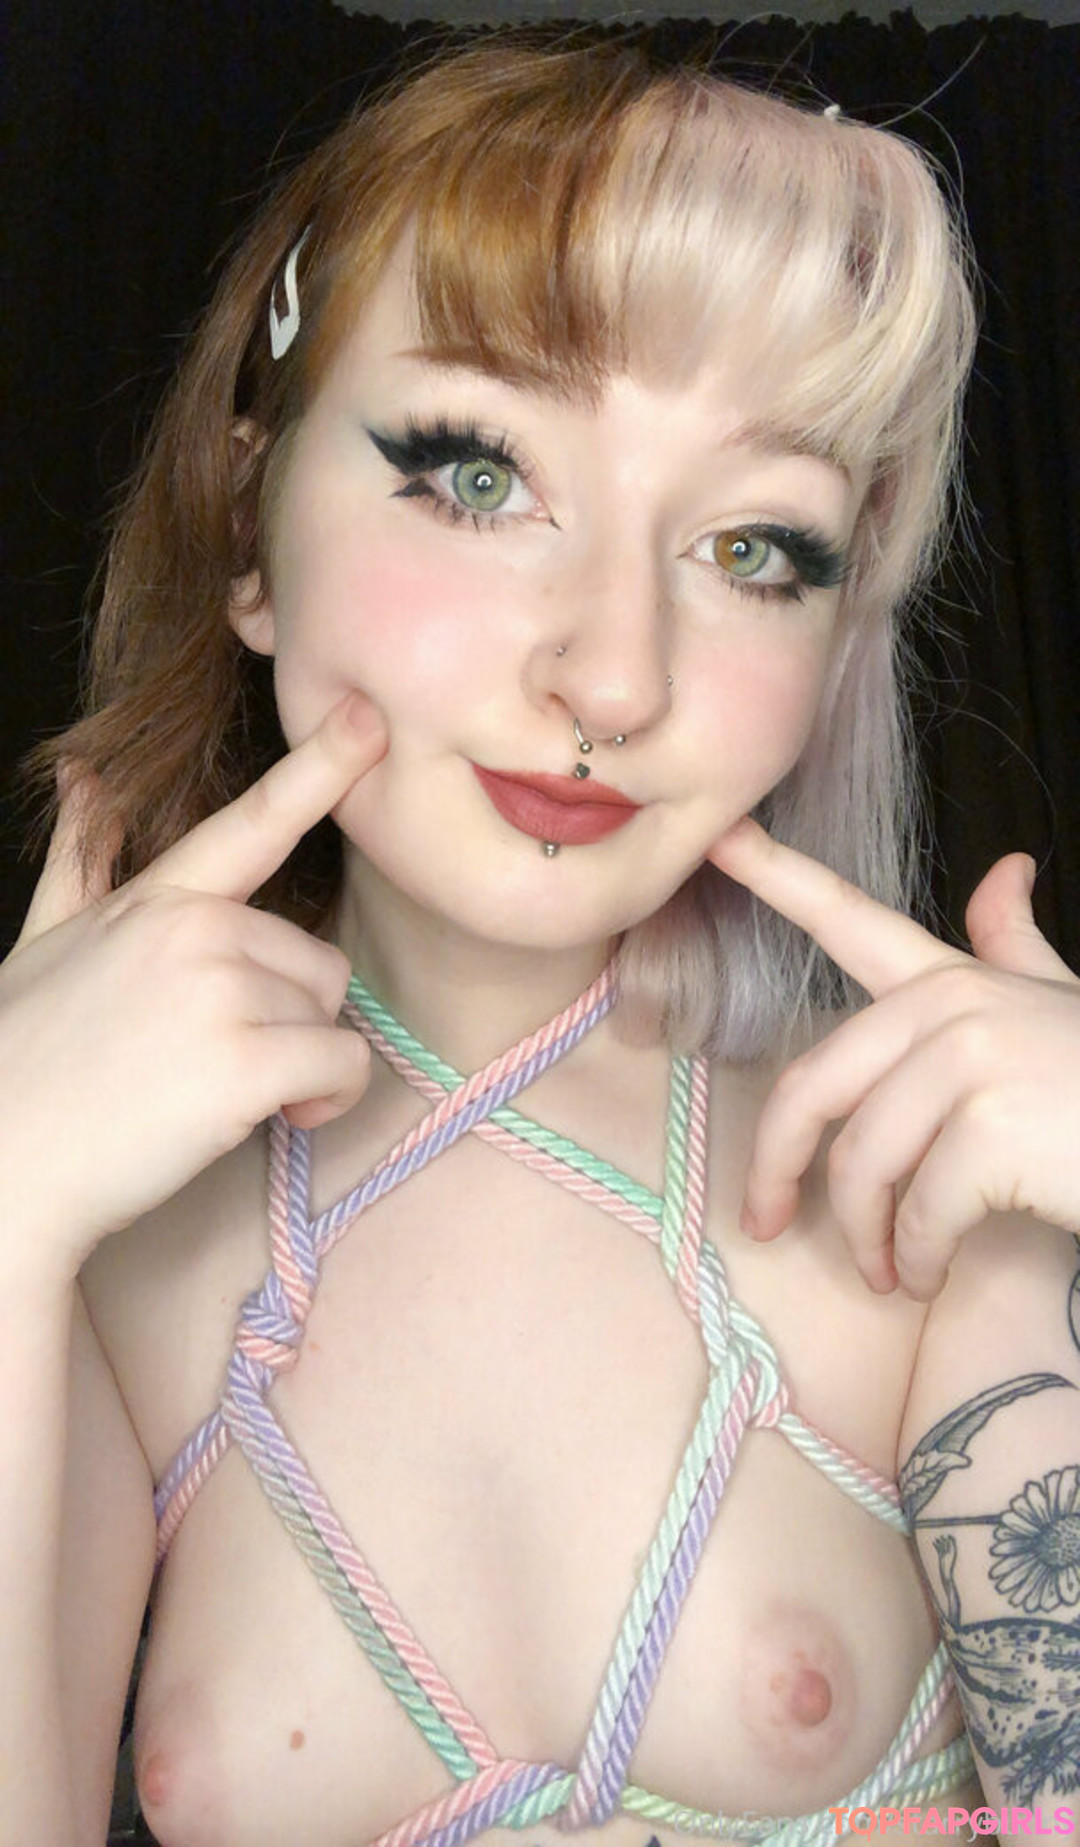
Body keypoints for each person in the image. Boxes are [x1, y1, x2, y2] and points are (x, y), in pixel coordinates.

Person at [2, 34, 1078, 1847]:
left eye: (754, 548)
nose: (615, 676)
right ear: (247, 530)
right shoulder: (106, 1260)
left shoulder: (918, 1190)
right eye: (482, 477)